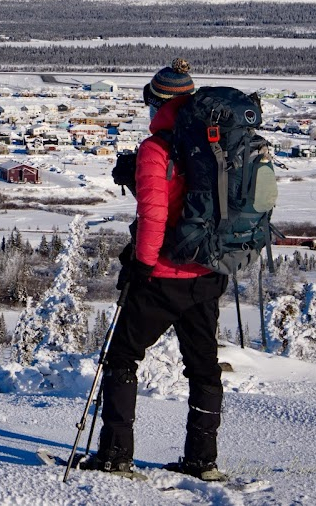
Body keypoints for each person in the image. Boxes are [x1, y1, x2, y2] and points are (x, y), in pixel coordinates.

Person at [81, 59, 230, 482]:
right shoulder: (215, 143)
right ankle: (202, 460)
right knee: (204, 369)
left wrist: (142, 267)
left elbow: (153, 216)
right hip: (207, 275)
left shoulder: (157, 148)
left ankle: (114, 453)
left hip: (162, 276)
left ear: (158, 102)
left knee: (123, 358)